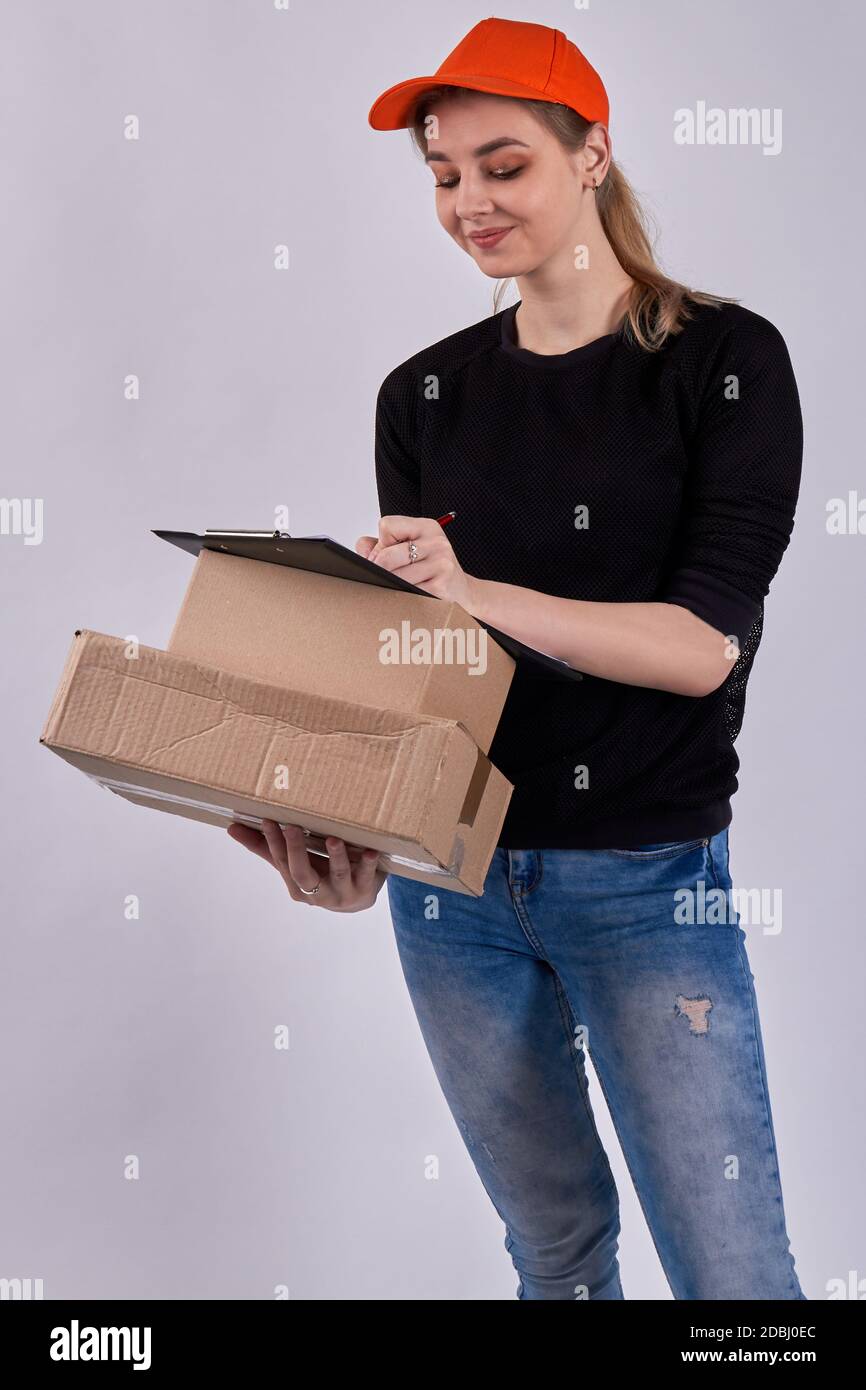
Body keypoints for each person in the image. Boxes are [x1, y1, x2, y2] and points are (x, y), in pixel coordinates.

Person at [228, 17, 806, 1300]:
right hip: (454, 890)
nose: (467, 203)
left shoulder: (720, 362)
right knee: (551, 1254)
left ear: (590, 155)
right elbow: (429, 666)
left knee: (731, 1276)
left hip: (649, 883)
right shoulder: (421, 395)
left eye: (504, 166)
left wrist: (478, 587)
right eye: (442, 175)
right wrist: (352, 839)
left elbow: (702, 646)